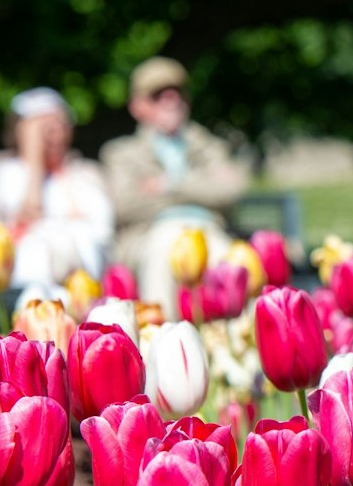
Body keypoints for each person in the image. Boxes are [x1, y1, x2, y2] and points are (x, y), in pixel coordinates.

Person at [0, 87, 114, 295]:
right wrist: (35, 163)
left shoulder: (87, 175)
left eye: (62, 123)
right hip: (9, 289)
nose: (55, 133)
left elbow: (104, 239)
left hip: (82, 286)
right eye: (44, 126)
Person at [102, 57, 250, 311]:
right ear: (137, 105)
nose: (171, 101)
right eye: (158, 95)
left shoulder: (209, 145)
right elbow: (126, 204)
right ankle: (164, 338)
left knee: (233, 264)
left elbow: (231, 192)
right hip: (151, 234)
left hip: (209, 230)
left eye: (177, 93)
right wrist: (201, 187)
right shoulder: (121, 152)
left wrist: (169, 185)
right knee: (163, 251)